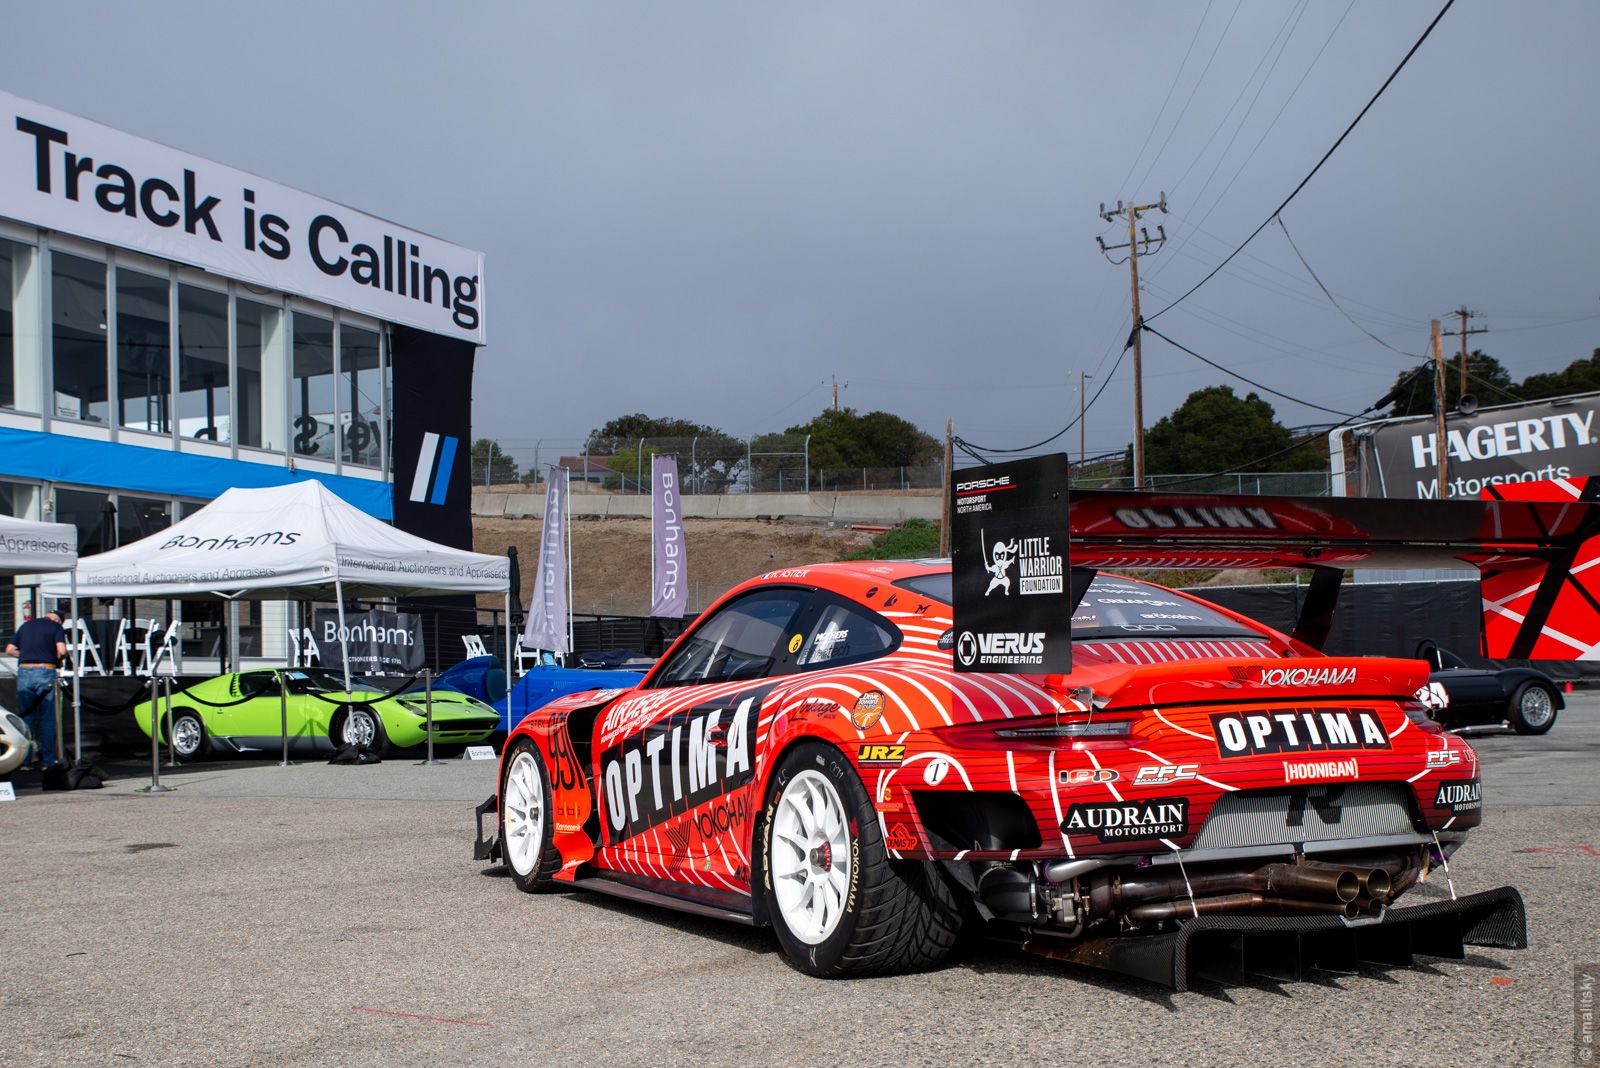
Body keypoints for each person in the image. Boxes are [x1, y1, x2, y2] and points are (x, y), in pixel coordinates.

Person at [6, 608, 68, 769]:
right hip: (45, 671)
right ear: (58, 620)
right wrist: (51, 656)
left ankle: (24, 761)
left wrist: (26, 655)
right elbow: (62, 650)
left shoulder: (26, 626)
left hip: (24, 671)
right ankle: (48, 760)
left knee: (26, 718)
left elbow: (10, 650)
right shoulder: (56, 628)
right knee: (48, 718)